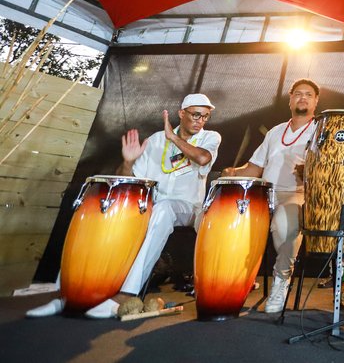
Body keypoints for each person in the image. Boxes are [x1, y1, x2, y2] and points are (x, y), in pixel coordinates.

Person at [27, 94, 221, 319]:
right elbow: (127, 179)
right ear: (182, 113)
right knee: (105, 212)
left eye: (205, 116)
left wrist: (173, 138)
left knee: (164, 209)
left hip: (189, 208)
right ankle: (68, 295)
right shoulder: (156, 140)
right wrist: (128, 161)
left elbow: (203, 159)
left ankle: (127, 294)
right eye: (196, 114)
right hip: (150, 205)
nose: (200, 121)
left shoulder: (210, 137)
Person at [222, 79, 319, 314]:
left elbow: (328, 170)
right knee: (229, 220)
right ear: (290, 99)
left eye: (308, 94)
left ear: (316, 101)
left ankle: (281, 281)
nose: (302, 98)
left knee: (284, 226)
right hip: (264, 195)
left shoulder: (321, 130)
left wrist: (311, 170)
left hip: (295, 194)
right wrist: (233, 173)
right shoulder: (276, 131)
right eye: (298, 93)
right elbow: (255, 168)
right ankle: (232, 280)